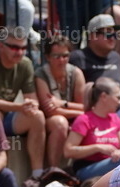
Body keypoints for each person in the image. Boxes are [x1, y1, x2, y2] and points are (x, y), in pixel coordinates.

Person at [0, 26, 47, 187]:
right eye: (14, 47)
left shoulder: (26, 64)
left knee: (38, 116)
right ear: (1, 46)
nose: (19, 52)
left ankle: (37, 175)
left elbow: (32, 100)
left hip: (9, 116)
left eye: (23, 48)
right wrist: (20, 106)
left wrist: (30, 106)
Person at [34, 34, 87, 173]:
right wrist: (80, 111)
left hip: (72, 118)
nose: (62, 60)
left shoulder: (76, 73)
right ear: (47, 57)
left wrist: (62, 104)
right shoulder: (41, 75)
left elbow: (87, 106)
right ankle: (54, 169)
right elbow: (50, 111)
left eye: (65, 55)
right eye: (57, 56)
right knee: (60, 122)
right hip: (48, 121)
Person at [65, 78, 120, 182]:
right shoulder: (84, 119)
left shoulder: (115, 118)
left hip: (112, 164)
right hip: (87, 168)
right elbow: (68, 151)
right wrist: (97, 147)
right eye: (117, 98)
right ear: (104, 97)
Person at [69, 14, 120, 87]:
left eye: (115, 34)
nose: (112, 38)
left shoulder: (116, 57)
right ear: (92, 36)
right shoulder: (78, 58)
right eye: (108, 33)